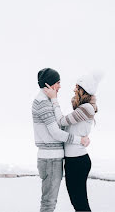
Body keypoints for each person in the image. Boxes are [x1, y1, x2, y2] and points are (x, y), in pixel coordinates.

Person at [32, 68, 91, 212]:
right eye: (58, 82)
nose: (59, 86)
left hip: (53, 159)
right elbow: (56, 133)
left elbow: (59, 126)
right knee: (49, 203)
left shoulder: (47, 101)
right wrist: (79, 140)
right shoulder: (43, 103)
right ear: (49, 83)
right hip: (50, 159)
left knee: (51, 201)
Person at [44, 72, 103, 212]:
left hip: (78, 161)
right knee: (77, 202)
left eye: (77, 87)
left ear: (84, 89)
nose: (74, 89)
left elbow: (61, 121)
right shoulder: (81, 109)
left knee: (80, 203)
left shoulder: (87, 108)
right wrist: (81, 138)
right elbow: (64, 127)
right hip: (73, 161)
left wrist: (54, 99)